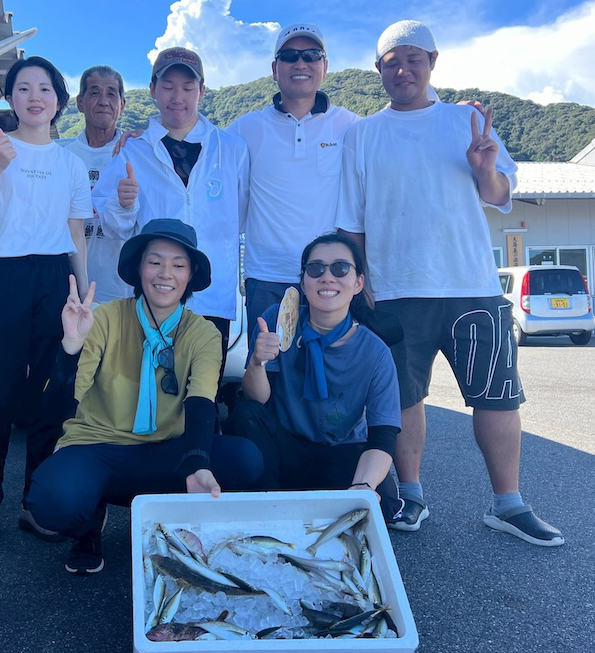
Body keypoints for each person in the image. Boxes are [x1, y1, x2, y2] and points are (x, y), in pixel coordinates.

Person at [337, 20, 564, 546]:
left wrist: (485, 167)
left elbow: (499, 191)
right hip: (393, 291)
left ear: (433, 62)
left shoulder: (466, 120)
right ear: (378, 71)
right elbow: (351, 219)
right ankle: (411, 496)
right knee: (404, 400)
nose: (403, 69)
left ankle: (509, 504)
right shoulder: (363, 133)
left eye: (413, 59)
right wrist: (359, 276)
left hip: (471, 285)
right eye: (392, 62)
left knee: (497, 397)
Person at [25, 219, 263, 574]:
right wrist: (71, 347)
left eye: (178, 265)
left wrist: (197, 464)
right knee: (52, 501)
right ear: (139, 269)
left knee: (245, 459)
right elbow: (58, 407)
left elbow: (201, 402)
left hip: (167, 450)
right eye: (154, 261)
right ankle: (89, 520)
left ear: (190, 275)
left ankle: (178, 523)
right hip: (99, 448)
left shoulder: (204, 333)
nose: (165, 273)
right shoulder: (103, 318)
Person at [0, 56, 91, 545]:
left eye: (46, 89)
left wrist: (83, 292)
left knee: (50, 396)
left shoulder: (71, 164)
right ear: (10, 98)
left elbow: (75, 231)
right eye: (24, 88)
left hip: (55, 279)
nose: (36, 97)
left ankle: (38, 503)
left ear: (59, 100)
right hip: (2, 275)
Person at [93, 47, 249, 367]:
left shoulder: (232, 149)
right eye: (167, 86)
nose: (178, 96)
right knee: (150, 395)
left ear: (202, 91)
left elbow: (242, 214)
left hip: (212, 295)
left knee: (203, 393)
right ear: (152, 90)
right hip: (154, 295)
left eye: (188, 87)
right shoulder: (133, 151)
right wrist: (124, 205)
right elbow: (113, 225)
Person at [228, 233, 402, 518]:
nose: (327, 277)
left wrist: (363, 485)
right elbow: (256, 401)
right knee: (244, 414)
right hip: (286, 449)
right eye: (315, 268)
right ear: (303, 282)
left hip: (342, 451)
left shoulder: (376, 352)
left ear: (358, 282)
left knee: (380, 500)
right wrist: (257, 362)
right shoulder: (278, 320)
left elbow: (383, 435)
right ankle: (269, 511)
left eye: (341, 268)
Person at [226, 24, 362, 339]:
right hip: (266, 280)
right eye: (289, 56)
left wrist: (455, 116)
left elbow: (394, 136)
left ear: (325, 67)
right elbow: (198, 140)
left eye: (311, 55)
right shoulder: (244, 130)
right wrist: (145, 134)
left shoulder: (351, 126)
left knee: (329, 380)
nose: (300, 63)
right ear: (275, 69)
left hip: (330, 277)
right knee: (267, 378)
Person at [64, 65, 132, 303]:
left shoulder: (137, 153)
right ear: (80, 102)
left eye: (112, 94)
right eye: (94, 93)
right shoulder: (64, 156)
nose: (104, 101)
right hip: (69, 289)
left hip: (125, 289)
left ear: (122, 105)